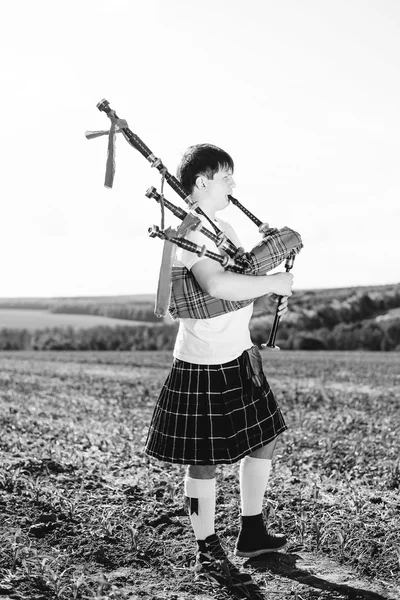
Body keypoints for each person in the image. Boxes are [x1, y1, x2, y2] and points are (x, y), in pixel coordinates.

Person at [145, 144, 294, 585]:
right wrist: (272, 283)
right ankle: (206, 546)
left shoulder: (223, 225)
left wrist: (268, 279)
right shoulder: (188, 232)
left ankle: (251, 531)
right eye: (227, 176)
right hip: (202, 362)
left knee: (264, 438)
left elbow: (241, 277)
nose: (233, 184)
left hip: (239, 355)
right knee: (203, 460)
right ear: (203, 182)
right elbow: (217, 283)